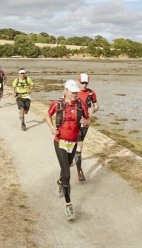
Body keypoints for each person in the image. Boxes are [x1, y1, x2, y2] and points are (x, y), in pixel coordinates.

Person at [44, 80, 88, 220]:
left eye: (76, 92)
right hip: (60, 142)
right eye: (72, 92)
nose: (75, 94)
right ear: (65, 91)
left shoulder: (81, 105)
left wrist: (86, 123)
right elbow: (47, 115)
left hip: (72, 143)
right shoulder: (57, 104)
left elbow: (88, 119)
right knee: (67, 174)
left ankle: (59, 182)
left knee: (66, 168)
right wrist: (51, 127)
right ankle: (69, 206)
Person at [75, 73, 99, 181]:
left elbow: (97, 105)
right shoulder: (73, 92)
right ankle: (79, 171)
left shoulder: (91, 93)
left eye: (86, 83)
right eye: (82, 82)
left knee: (77, 145)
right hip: (74, 122)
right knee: (79, 146)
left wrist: (94, 110)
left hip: (86, 122)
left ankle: (73, 156)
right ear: (78, 81)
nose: (84, 85)